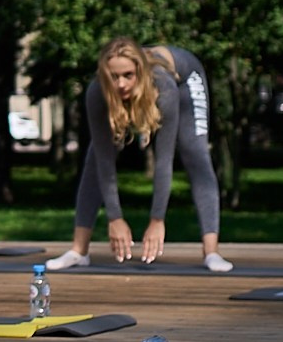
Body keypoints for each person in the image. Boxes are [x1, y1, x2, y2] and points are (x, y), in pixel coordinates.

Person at [47, 38, 231, 273]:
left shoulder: (164, 88)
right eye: (114, 77)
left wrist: (157, 220)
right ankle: (78, 250)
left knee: (194, 152)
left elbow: (164, 162)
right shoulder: (97, 92)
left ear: (140, 72)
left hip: (185, 79)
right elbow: (105, 162)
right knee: (94, 159)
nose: (121, 84)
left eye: (128, 75)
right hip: (141, 92)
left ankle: (212, 252)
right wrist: (115, 218)